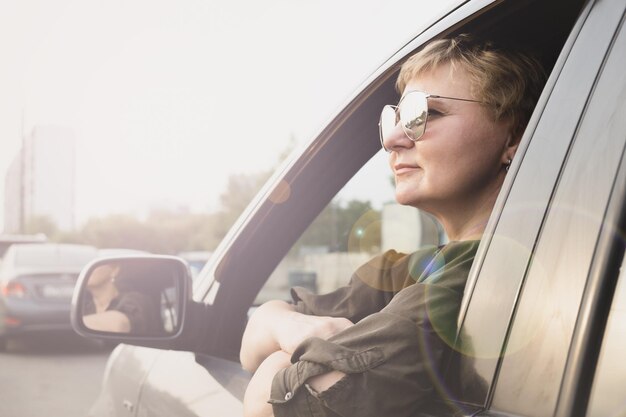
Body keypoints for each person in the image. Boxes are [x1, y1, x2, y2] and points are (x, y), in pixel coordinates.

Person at [239, 34, 546, 417]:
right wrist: (298, 330)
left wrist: (278, 357)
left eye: (426, 114)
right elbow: (258, 328)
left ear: (513, 136)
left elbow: (269, 407)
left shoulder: (469, 282)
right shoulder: (402, 271)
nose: (394, 140)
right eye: (395, 118)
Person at [83, 262, 163, 335]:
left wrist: (74, 325)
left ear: (114, 271)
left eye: (95, 264)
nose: (87, 269)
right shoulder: (85, 308)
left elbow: (118, 325)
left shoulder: (136, 299)